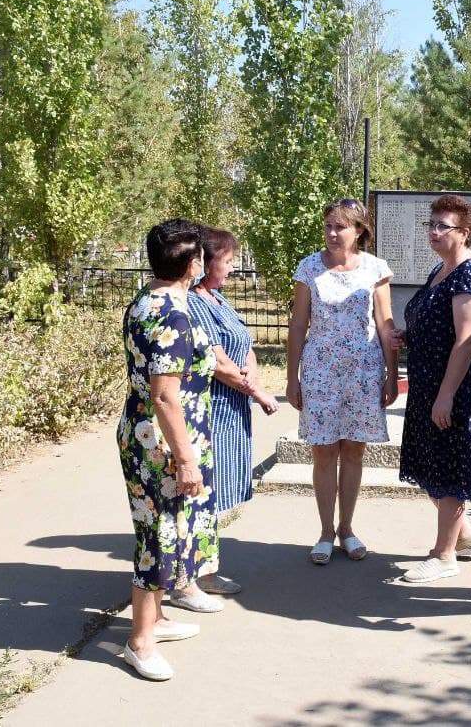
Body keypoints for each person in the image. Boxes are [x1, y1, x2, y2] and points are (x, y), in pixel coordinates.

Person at [116, 219, 219, 680]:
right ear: (194, 265)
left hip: (145, 431)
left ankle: (155, 619)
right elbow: (164, 395)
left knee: (168, 529)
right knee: (157, 537)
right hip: (160, 442)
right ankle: (139, 642)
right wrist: (185, 458)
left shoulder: (146, 299)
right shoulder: (173, 315)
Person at [287, 199, 398, 565]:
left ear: (359, 231)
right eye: (329, 226)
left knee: (353, 451)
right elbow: (298, 325)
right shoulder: (308, 268)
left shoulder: (375, 269)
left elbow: (385, 324)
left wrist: (391, 374)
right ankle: (323, 533)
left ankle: (347, 529)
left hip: (364, 373)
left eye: (341, 227)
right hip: (320, 372)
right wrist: (292, 377)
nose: (333, 233)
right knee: (323, 451)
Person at [390, 195, 471, 584]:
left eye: (443, 226)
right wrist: (408, 335)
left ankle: (444, 554)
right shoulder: (441, 271)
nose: (433, 232)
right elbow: (436, 325)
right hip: (428, 383)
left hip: (454, 388)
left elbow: (467, 341)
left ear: (464, 233)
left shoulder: (470, 275)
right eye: (431, 224)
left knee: (449, 465)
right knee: (430, 462)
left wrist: (447, 394)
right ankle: (464, 536)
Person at [182, 226, 281, 604]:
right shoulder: (195, 303)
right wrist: (258, 392)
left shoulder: (219, 299)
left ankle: (204, 570)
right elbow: (218, 361)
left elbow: (243, 343)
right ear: (205, 263)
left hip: (231, 408)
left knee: (215, 493)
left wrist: (253, 369)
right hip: (213, 408)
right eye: (227, 260)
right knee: (202, 493)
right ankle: (189, 578)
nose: (233, 266)